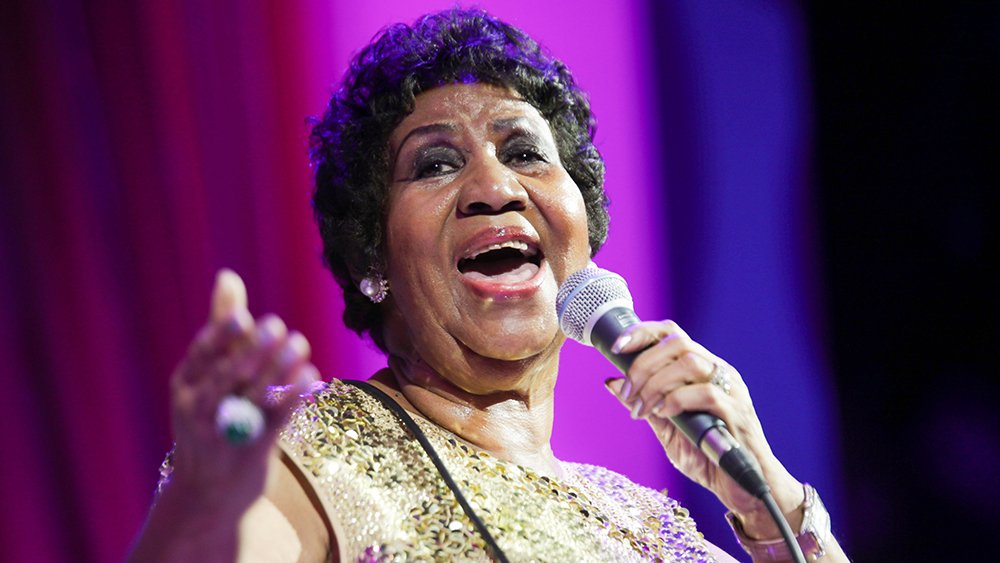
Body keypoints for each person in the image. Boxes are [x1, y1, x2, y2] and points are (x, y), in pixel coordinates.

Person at [129, 8, 848, 562]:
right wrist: (200, 506)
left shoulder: (651, 526)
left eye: (526, 152)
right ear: (373, 261)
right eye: (435, 164)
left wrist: (768, 500)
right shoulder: (309, 446)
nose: (495, 188)